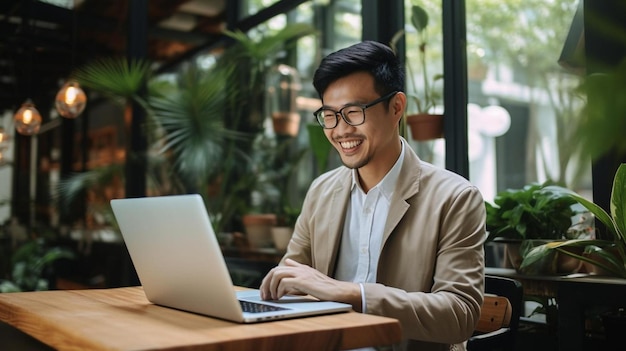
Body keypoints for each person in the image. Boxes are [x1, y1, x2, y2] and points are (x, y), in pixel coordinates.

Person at [260, 40, 486, 351]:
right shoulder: (321, 192)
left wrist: (353, 294)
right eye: (330, 115)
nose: (340, 130)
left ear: (396, 108)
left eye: (353, 112)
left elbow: (460, 315)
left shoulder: (455, 198)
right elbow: (290, 280)